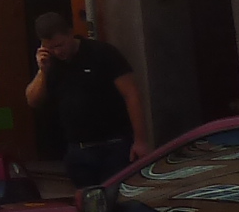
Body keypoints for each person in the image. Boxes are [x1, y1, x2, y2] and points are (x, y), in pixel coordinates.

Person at [24, 11, 148, 190]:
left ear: (70, 33)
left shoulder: (102, 53)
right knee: (86, 200)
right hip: (78, 149)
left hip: (113, 145)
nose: (58, 51)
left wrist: (140, 140)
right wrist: (43, 71)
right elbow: (33, 101)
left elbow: (131, 94)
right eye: (51, 48)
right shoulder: (51, 64)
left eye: (60, 45)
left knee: (115, 196)